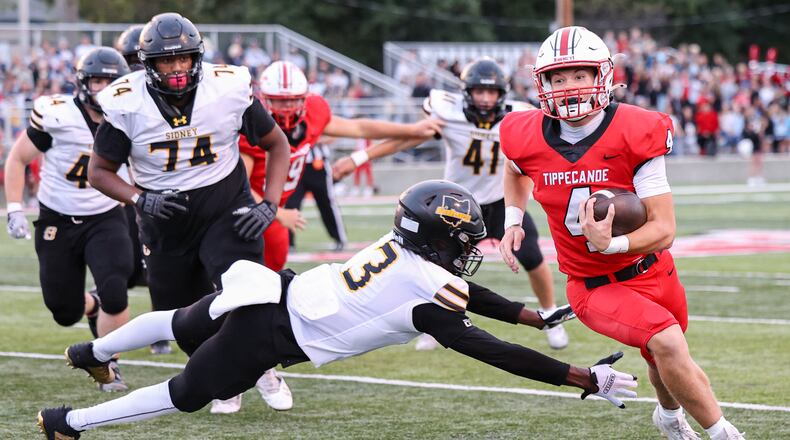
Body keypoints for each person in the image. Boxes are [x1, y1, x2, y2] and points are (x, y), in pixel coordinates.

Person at [36, 180, 638, 439]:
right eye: (462, 241)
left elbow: (468, 301)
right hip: (270, 335)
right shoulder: (426, 290)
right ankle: (70, 425)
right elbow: (491, 351)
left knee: (179, 320)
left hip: (274, 289)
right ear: (436, 239)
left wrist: (532, 317)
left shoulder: (402, 249)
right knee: (184, 394)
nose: (467, 251)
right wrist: (583, 377)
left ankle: (93, 349)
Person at [498, 26, 744, 440]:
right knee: (665, 343)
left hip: (653, 268)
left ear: (603, 76)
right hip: (593, 285)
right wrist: (512, 219)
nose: (568, 87)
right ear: (542, 83)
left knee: (660, 355)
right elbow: (514, 169)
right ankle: (724, 434)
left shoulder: (636, 129)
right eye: (558, 78)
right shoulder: (522, 133)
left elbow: (664, 229)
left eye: (579, 75)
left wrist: (611, 243)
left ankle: (667, 417)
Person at [86, 13, 292, 412]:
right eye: (167, 61)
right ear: (149, 64)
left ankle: (263, 368)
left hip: (225, 204)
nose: (177, 68)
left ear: (197, 57)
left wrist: (270, 203)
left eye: (183, 59)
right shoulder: (125, 101)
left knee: (243, 291)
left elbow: (276, 144)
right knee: (179, 316)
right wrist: (139, 199)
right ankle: (227, 376)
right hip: (164, 215)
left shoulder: (227, 88)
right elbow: (99, 171)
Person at [333, 58, 568, 350]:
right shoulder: (448, 112)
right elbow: (409, 139)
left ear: (502, 94)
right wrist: (359, 158)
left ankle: (549, 317)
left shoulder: (520, 117)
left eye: (491, 92)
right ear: (465, 93)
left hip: (500, 199)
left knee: (532, 256)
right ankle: (435, 324)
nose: (484, 98)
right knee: (440, 267)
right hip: (455, 206)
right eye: (478, 92)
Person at [4, 47, 133, 392]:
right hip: (57, 219)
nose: (102, 88)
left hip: (105, 215)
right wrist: (15, 205)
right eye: (96, 80)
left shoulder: (132, 115)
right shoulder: (57, 115)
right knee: (64, 311)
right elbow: (17, 159)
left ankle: (107, 365)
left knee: (116, 289)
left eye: (110, 81)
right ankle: (92, 306)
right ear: (82, 82)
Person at [239, 61, 442, 272]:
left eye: (293, 100)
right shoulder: (253, 128)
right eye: (280, 101)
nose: (287, 108)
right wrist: (279, 213)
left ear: (304, 98)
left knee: (271, 277)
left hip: (276, 215)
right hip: (250, 211)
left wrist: (411, 129)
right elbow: (241, 186)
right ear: (265, 99)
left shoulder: (314, 113)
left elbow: (359, 127)